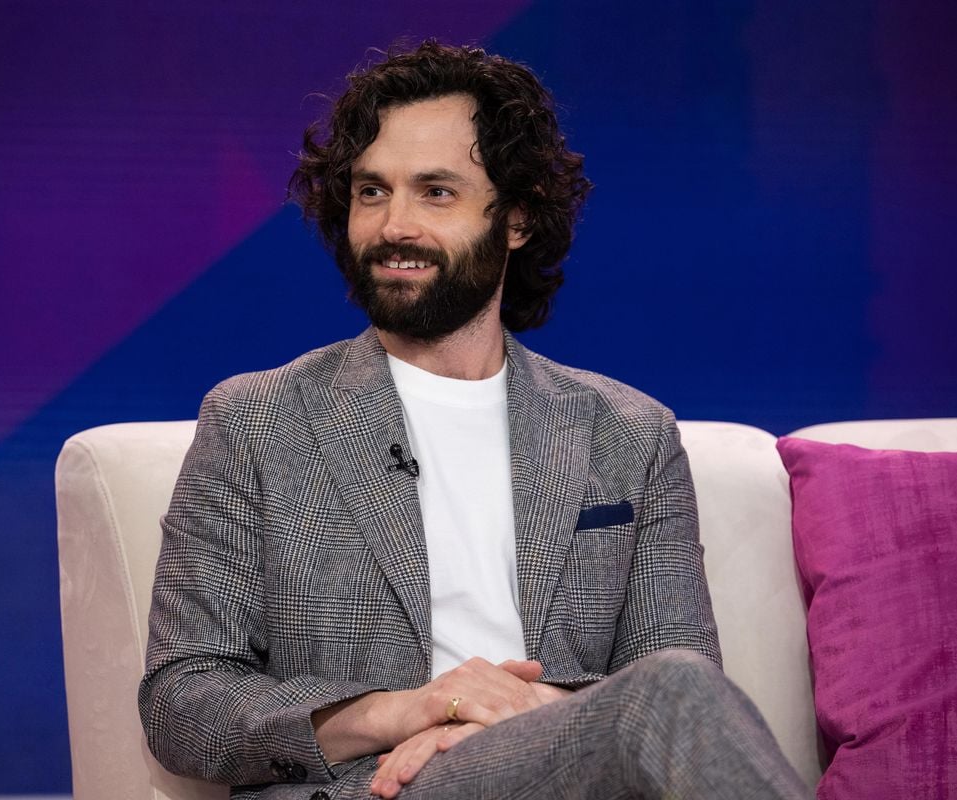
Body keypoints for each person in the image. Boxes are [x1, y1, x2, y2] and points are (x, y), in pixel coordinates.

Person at [140, 40, 807, 800]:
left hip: (571, 773)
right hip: (377, 784)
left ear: (516, 219)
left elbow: (674, 675)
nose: (395, 226)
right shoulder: (257, 422)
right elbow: (183, 702)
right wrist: (405, 710)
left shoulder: (629, 434)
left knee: (679, 691)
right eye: (370, 192)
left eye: (435, 192)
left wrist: (523, 714)